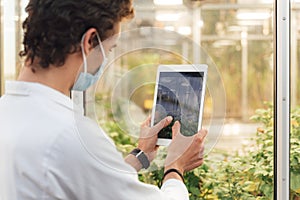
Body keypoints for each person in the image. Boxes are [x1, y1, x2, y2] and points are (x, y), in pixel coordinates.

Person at [0, 0, 208, 199]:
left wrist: (141, 155)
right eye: (109, 49)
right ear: (90, 41)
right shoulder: (73, 136)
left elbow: (84, 179)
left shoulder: (7, 112)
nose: (106, 60)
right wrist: (175, 167)